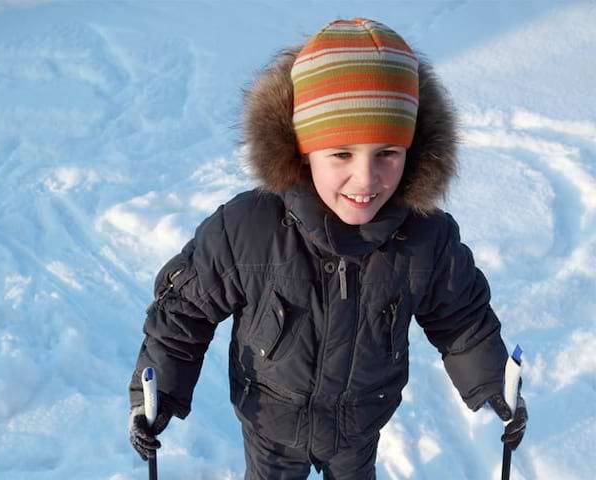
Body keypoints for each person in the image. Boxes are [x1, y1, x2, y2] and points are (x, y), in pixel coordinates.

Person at [128, 17, 528, 479]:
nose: (366, 179)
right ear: (302, 150)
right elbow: (183, 315)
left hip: (361, 425)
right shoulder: (246, 229)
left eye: (387, 153)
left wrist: (495, 386)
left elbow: (462, 319)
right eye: (341, 153)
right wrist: (152, 400)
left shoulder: (425, 237)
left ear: (412, 150)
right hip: (271, 425)